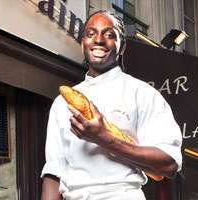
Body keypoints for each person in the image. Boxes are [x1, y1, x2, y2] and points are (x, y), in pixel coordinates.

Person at [41, 10, 182, 200]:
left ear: (121, 46)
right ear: (83, 43)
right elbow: (54, 172)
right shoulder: (61, 103)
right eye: (91, 34)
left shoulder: (142, 94)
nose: (98, 40)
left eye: (109, 35)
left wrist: (104, 138)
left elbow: (169, 165)